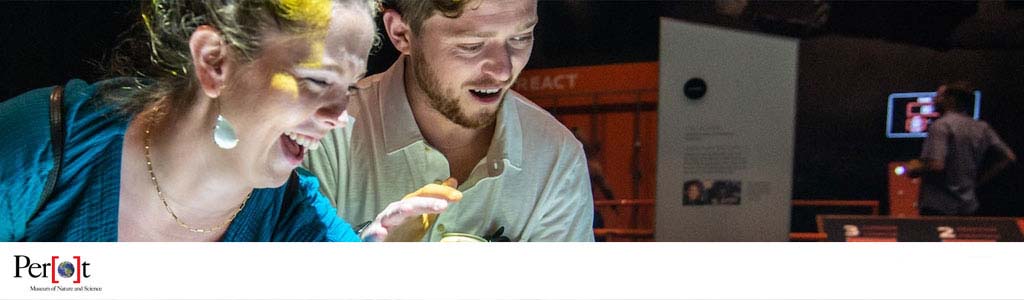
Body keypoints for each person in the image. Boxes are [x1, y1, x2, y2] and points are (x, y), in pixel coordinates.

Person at [0, 0, 458, 242]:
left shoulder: (297, 218)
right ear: (214, 61)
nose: (340, 117)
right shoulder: (42, 145)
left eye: (351, 89)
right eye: (318, 81)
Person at [304, 0, 595, 241]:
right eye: (472, 45)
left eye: (521, 37)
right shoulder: (323, 135)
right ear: (401, 34)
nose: (504, 70)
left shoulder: (556, 157)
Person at [908, 82, 1017, 216]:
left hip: (938, 207)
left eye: (939, 96)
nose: (934, 99)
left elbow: (937, 165)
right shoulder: (982, 128)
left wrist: (914, 168)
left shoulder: (941, 125)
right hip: (969, 207)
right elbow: (1009, 157)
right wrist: (980, 180)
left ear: (951, 100)